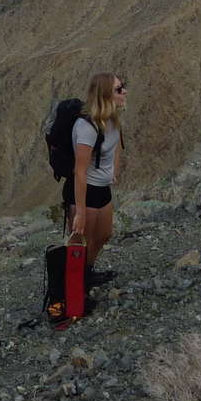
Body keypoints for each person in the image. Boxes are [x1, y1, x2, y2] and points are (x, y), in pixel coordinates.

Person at [65, 72, 125, 286]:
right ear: (105, 95)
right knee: (81, 243)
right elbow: (79, 171)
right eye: (119, 89)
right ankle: (74, 289)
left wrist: (113, 171)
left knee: (104, 235)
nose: (124, 92)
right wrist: (80, 212)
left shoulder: (113, 119)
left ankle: (87, 274)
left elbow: (116, 145)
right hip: (85, 190)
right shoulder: (86, 127)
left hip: (102, 188)